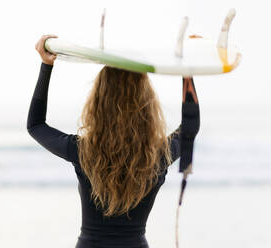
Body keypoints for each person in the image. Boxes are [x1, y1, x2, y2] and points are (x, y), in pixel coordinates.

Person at [28, 34, 182, 248]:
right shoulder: (159, 155)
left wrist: (46, 65)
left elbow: (35, 125)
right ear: (147, 102)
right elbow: (190, 129)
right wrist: (187, 75)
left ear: (98, 100)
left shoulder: (82, 151)